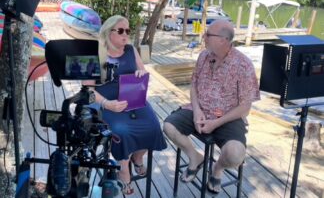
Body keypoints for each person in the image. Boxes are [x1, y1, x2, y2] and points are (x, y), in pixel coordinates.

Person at [163, 20, 260, 194]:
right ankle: (195, 157)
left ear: (223, 40)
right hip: (198, 110)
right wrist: (197, 111)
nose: (204, 36)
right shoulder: (203, 56)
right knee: (169, 126)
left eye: (208, 34)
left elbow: (245, 108)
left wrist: (215, 123)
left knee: (235, 155)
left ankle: (217, 169)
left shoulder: (243, 65)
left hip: (228, 117)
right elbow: (193, 86)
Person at [83, 15, 166, 195]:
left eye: (128, 31)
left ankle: (137, 157)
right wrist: (107, 104)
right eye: (120, 31)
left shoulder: (130, 50)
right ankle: (124, 168)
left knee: (153, 126)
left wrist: (139, 73)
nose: (125, 35)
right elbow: (87, 89)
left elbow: (143, 73)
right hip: (107, 102)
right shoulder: (96, 52)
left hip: (134, 99)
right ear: (108, 32)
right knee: (122, 131)